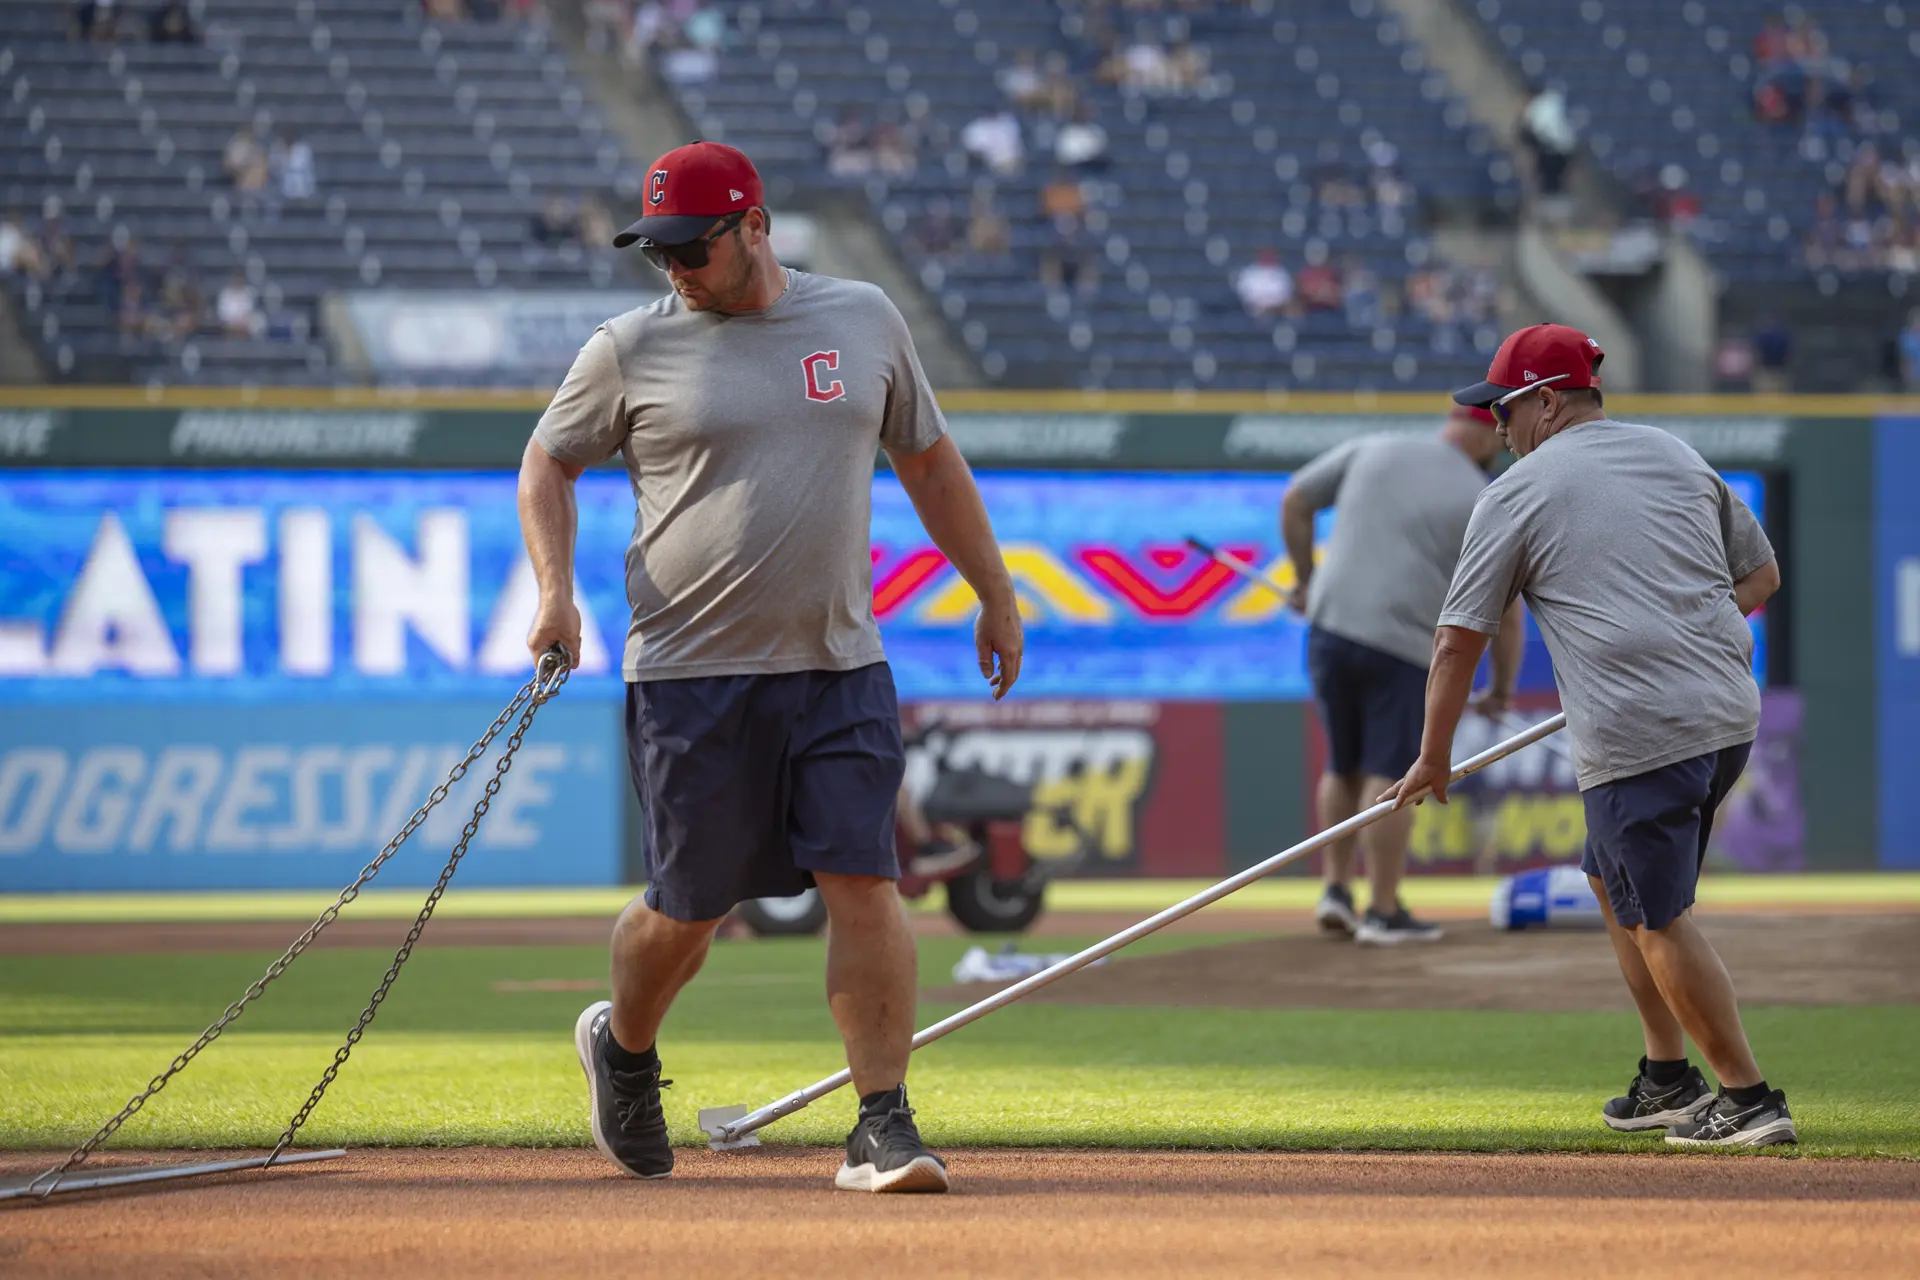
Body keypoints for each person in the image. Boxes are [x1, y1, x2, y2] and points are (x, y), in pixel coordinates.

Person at [518, 141, 1022, 1194]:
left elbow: (928, 459)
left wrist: (995, 587)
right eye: (659, 253)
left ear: (755, 226)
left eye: (692, 249)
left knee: (867, 880)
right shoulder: (628, 347)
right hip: (688, 674)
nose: (676, 271)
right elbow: (547, 461)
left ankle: (881, 1119)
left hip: (840, 664)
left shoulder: (864, 319)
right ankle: (626, 1046)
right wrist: (555, 591)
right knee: (688, 909)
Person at [1386, 323, 1793, 1148]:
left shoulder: (1517, 491)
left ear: (1543, 401)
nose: (1496, 427)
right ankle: (1667, 1078)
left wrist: (1434, 755)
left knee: (1656, 914)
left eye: (1502, 409)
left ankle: (1749, 1099)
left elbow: (1458, 636)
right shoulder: (1675, 454)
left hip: (1645, 726)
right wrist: (1700, 628)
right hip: (1722, 714)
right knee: (1614, 885)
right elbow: (1761, 576)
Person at [1283, 403, 1521, 945]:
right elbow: (1506, 615)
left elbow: (1295, 501)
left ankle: (1336, 890)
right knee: (1390, 773)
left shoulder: (1375, 446)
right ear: (1487, 437)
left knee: (1341, 767)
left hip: (1330, 631)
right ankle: (1383, 909)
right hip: (1405, 646)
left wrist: (1305, 582)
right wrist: (1500, 690)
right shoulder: (1484, 498)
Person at [1233, 248, 1293, 318]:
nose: (1267, 258)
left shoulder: (1281, 273)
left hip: (1276, 310)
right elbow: (1244, 292)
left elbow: (1285, 294)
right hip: (1253, 308)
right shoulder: (1249, 272)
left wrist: (1269, 304)